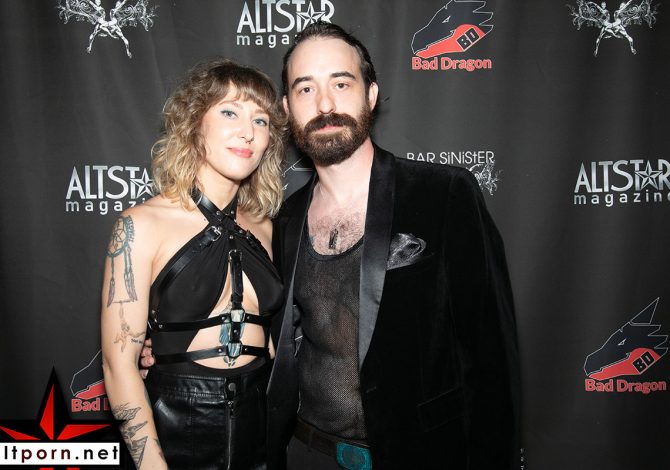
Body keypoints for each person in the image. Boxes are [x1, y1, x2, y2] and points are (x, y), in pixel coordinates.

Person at [266, 22, 520, 470]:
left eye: (340, 84)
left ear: (370, 94)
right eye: (305, 89)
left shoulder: (443, 194)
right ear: (287, 108)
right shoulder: (284, 220)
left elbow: (491, 356)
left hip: (420, 455)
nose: (324, 105)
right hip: (308, 454)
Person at [101, 59, 286, 469]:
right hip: (177, 426)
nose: (248, 131)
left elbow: (275, 342)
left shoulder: (268, 227)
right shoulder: (140, 225)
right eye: (229, 112)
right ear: (193, 123)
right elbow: (118, 366)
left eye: (260, 120)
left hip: (261, 427)